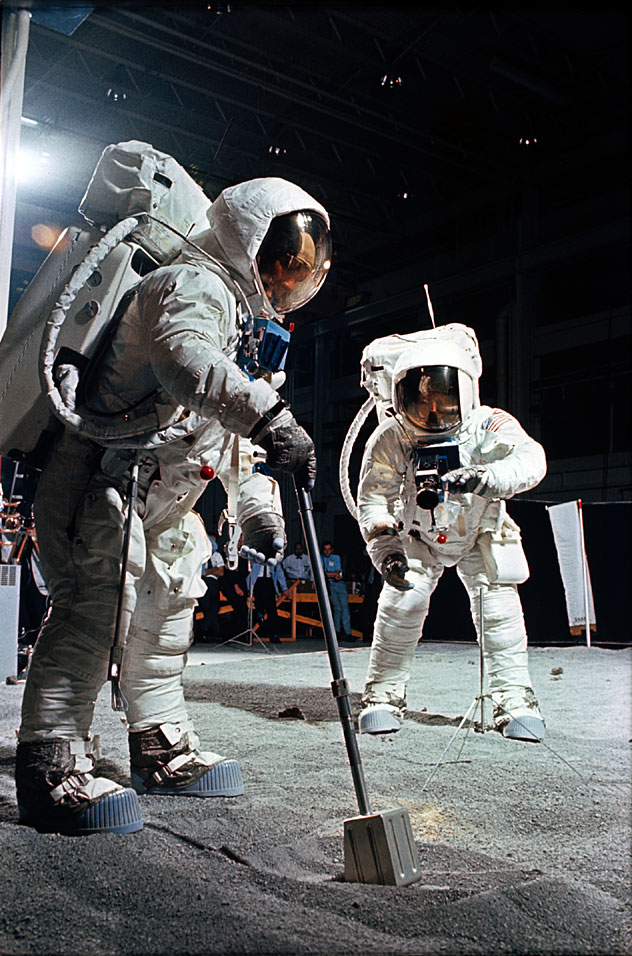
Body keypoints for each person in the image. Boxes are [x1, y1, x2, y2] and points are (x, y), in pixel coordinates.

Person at [15, 175, 332, 835]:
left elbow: (232, 442)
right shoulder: (188, 285)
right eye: (283, 262)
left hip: (157, 499)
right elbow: (189, 366)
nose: (289, 279)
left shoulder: (238, 327)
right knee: (92, 615)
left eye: (301, 268)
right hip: (101, 484)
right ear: (247, 240)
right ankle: (50, 762)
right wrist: (272, 416)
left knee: (165, 619)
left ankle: (159, 747)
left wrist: (259, 514)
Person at [355, 323, 547, 741]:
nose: (433, 411)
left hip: (480, 531)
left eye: (443, 399)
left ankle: (514, 700)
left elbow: (531, 460)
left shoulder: (486, 424)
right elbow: (373, 498)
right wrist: (387, 552)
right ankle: (383, 695)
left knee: (499, 612)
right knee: (400, 606)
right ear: (402, 397)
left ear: (465, 391)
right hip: (417, 536)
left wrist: (486, 478)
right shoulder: (393, 435)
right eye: (422, 401)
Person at [249, 560, 289, 643]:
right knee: (259, 604)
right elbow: (249, 570)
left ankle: (275, 635)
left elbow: (279, 572)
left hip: (269, 581)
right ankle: (260, 615)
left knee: (272, 609)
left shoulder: (273, 557)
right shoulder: (255, 555)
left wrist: (284, 587)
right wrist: (248, 587)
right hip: (257, 581)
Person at [321, 541, 353, 643]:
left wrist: (331, 574)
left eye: (329, 549)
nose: (327, 552)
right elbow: (322, 573)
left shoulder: (336, 558)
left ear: (332, 550)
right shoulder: (321, 558)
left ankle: (348, 633)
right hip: (330, 585)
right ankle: (336, 632)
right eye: (325, 550)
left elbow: (338, 572)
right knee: (337, 609)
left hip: (339, 584)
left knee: (345, 608)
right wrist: (331, 574)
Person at [194, 551, 225, 643]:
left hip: (213, 583)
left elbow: (221, 572)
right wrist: (214, 569)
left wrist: (207, 571)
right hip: (203, 582)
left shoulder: (216, 555)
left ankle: (204, 630)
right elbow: (200, 573)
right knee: (207, 607)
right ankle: (215, 632)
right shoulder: (200, 555)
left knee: (214, 607)